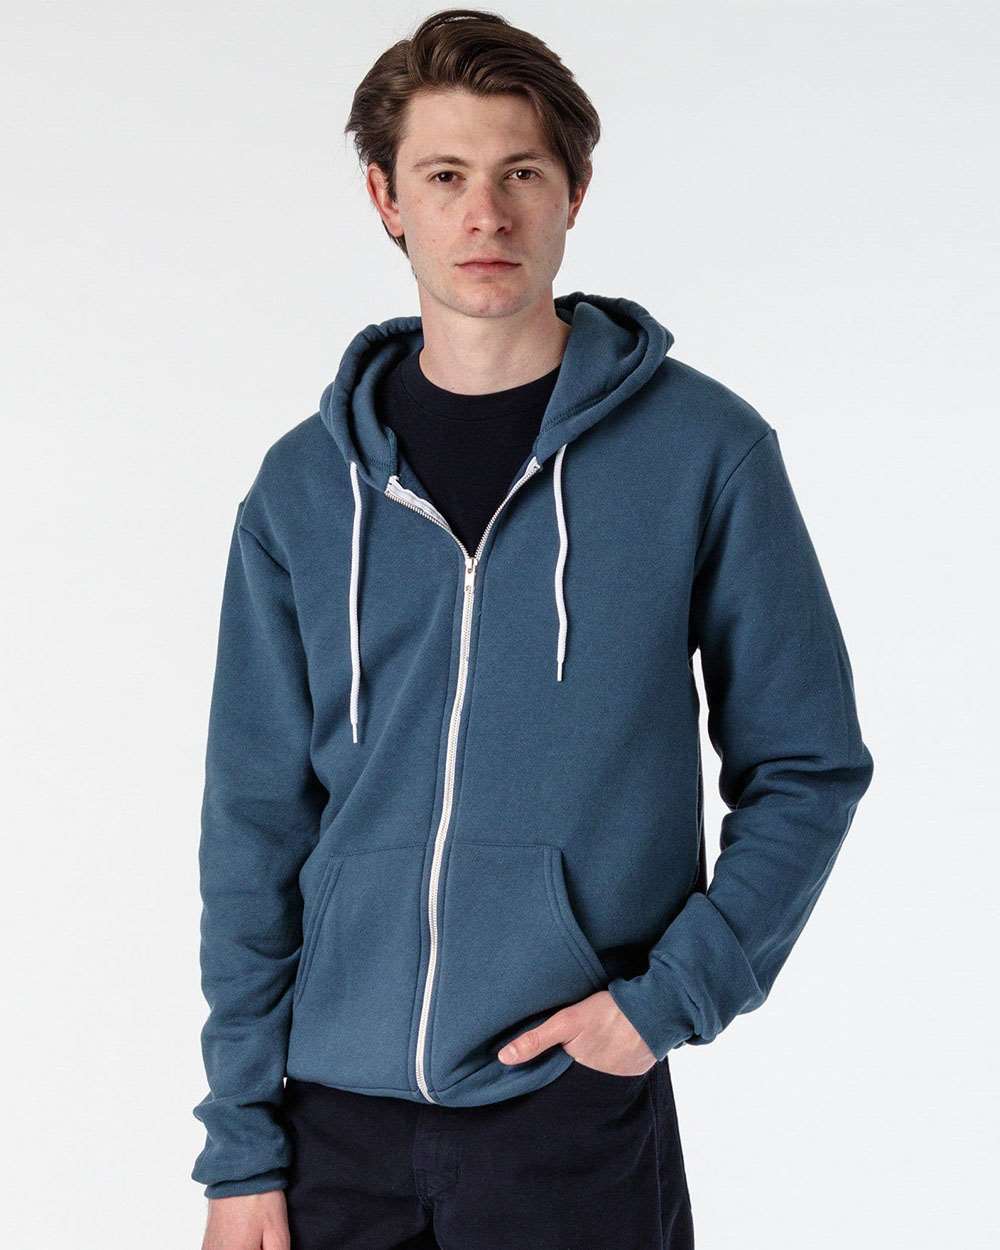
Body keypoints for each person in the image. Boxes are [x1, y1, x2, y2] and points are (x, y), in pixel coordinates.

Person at [191, 9, 875, 1249]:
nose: (485, 216)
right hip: (328, 1125)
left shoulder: (702, 451)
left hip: (570, 1109)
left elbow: (807, 762)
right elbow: (253, 825)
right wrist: (240, 1144)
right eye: (444, 177)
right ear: (386, 199)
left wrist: (665, 1000)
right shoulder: (302, 489)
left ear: (574, 193)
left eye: (519, 174)